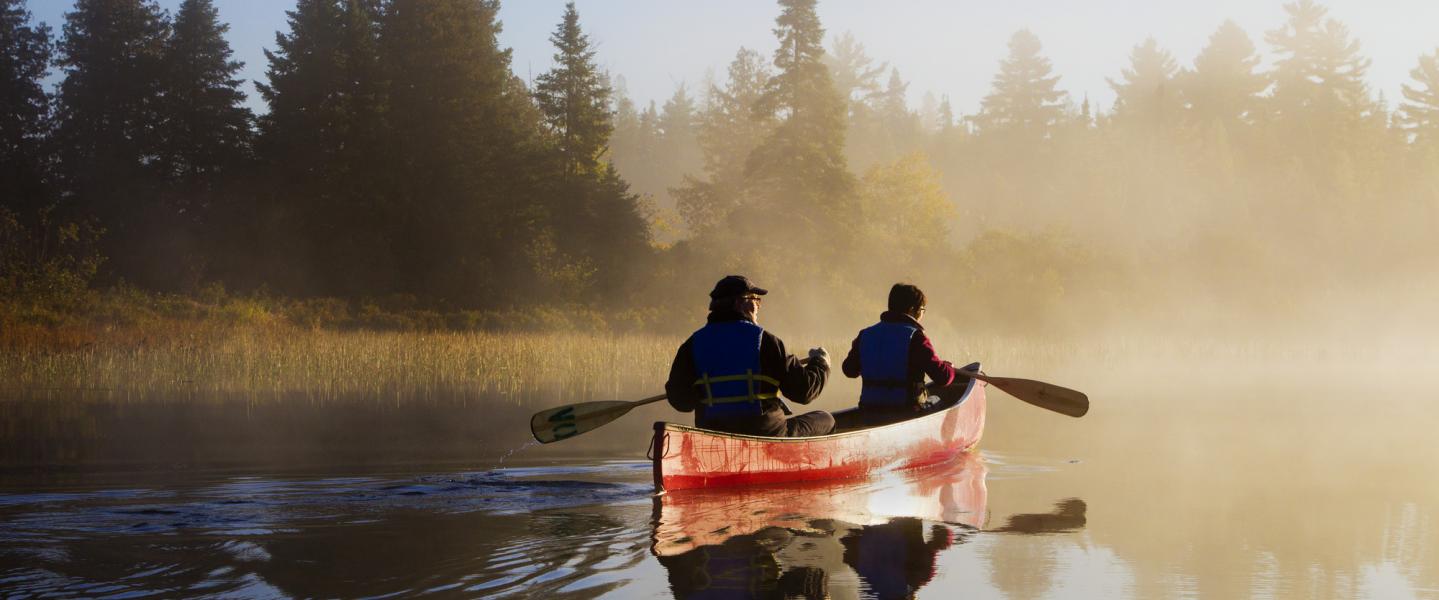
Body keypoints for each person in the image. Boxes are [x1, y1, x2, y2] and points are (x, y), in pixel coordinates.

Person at [665, 275, 834, 437]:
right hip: (766, 432)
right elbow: (803, 392)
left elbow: (681, 402)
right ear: (740, 303)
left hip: (712, 432)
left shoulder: (692, 344)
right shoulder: (767, 341)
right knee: (827, 419)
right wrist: (820, 363)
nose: (758, 306)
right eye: (755, 299)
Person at [842, 283, 959, 423]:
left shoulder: (865, 335)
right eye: (922, 309)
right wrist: (949, 368)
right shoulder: (916, 337)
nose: (922, 314)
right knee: (939, 401)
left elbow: (849, 370)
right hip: (906, 412)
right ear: (912, 310)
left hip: (869, 411)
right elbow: (943, 378)